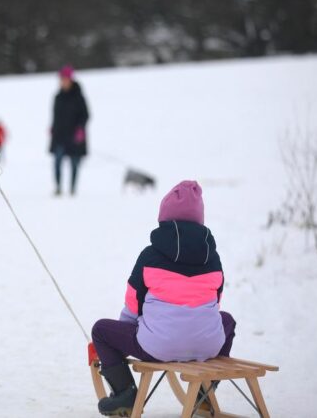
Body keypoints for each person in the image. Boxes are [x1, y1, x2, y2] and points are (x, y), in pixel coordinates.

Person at [90, 181, 236, 416]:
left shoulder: (150, 255)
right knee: (227, 320)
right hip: (207, 345)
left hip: (157, 346)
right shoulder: (213, 258)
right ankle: (205, 390)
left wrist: (125, 333)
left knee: (101, 331)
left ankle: (125, 393)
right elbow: (215, 303)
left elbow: (133, 301)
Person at [49, 65, 89, 196]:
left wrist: (80, 129)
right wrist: (53, 128)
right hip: (60, 136)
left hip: (74, 137)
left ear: (70, 80)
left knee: (74, 164)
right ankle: (58, 187)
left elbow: (85, 115)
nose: (63, 81)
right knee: (57, 162)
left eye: (65, 79)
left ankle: (72, 188)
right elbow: (55, 115)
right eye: (61, 79)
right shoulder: (58, 97)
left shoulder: (79, 97)